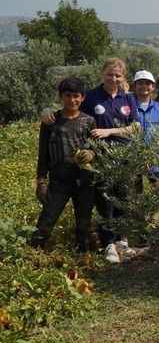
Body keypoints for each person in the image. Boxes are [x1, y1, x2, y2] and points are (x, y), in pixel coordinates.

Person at [80, 58, 138, 263]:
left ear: (123, 77)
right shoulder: (91, 97)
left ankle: (123, 241)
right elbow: (80, 121)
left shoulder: (128, 97)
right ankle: (108, 244)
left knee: (123, 197)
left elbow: (135, 127)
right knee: (105, 199)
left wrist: (109, 131)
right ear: (102, 74)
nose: (113, 78)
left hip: (124, 155)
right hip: (101, 156)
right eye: (110, 74)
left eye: (117, 75)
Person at [30, 77, 96, 253]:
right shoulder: (51, 121)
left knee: (83, 223)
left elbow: (95, 148)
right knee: (46, 222)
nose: (72, 100)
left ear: (82, 97)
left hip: (84, 180)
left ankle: (82, 257)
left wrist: (91, 154)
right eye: (68, 95)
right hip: (59, 180)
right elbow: (42, 153)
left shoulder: (89, 121)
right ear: (61, 96)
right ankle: (32, 255)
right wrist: (41, 181)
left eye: (76, 96)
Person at [132, 70, 159, 197]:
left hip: (155, 156)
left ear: (153, 87)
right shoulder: (128, 106)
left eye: (148, 83)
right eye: (140, 83)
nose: (144, 87)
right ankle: (139, 217)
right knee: (135, 194)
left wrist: (151, 154)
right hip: (133, 157)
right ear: (134, 86)